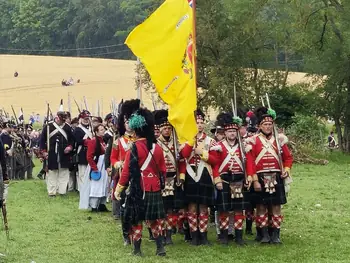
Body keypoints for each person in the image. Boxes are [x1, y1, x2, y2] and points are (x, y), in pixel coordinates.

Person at [114, 107, 167, 256]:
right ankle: (160, 248)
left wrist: (119, 189)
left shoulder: (133, 148)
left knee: (137, 220)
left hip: (139, 188)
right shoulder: (157, 148)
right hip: (154, 187)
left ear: (136, 130)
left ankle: (137, 250)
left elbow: (126, 173)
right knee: (155, 220)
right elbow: (163, 170)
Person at [245, 106, 293, 244]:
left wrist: (287, 169)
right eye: (265, 124)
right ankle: (264, 234)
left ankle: (275, 235)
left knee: (276, 206)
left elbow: (288, 158)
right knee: (261, 206)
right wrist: (255, 180)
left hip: (276, 177)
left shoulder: (280, 140)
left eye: (270, 124)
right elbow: (250, 162)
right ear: (259, 126)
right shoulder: (252, 141)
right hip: (260, 177)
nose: (268, 126)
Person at [179, 109, 219, 246]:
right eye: (197, 122)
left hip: (204, 175)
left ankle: (203, 236)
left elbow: (215, 160)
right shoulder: (185, 140)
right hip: (190, 175)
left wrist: (202, 153)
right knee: (191, 208)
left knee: (203, 207)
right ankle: (194, 236)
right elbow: (182, 156)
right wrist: (190, 143)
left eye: (202, 122)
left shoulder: (211, 141)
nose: (200, 125)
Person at [214, 113, 248, 245]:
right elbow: (215, 165)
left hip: (239, 180)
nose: (232, 133)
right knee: (224, 209)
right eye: (229, 131)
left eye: (234, 131)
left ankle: (239, 236)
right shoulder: (218, 146)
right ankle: (224, 236)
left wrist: (248, 177)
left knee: (239, 210)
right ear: (225, 132)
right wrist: (217, 180)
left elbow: (248, 163)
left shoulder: (243, 145)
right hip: (224, 181)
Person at [154, 109, 184, 245]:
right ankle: (163, 233)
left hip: (174, 179)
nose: (167, 130)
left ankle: (170, 234)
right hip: (161, 180)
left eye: (169, 128)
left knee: (172, 209)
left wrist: (181, 177)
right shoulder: (155, 144)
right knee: (163, 209)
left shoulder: (177, 144)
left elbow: (181, 162)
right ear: (160, 130)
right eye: (164, 128)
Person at [110, 99, 138, 243]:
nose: (128, 125)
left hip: (137, 177)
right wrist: (118, 164)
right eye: (126, 122)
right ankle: (126, 234)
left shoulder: (139, 140)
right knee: (125, 209)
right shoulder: (118, 141)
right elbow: (113, 159)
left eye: (130, 122)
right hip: (123, 177)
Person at [40, 110, 74, 197]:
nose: (62, 122)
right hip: (51, 152)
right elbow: (42, 140)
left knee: (64, 172)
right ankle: (52, 192)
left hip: (64, 154)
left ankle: (62, 191)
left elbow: (72, 140)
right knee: (52, 172)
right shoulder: (48, 127)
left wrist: (70, 147)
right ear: (57, 118)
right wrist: (43, 152)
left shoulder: (67, 127)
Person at [79, 124, 109, 212]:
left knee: (104, 184)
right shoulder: (93, 141)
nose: (103, 131)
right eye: (101, 130)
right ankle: (94, 205)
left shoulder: (103, 141)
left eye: (103, 129)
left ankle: (102, 204)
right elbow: (89, 157)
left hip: (104, 165)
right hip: (97, 165)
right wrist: (95, 168)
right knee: (96, 186)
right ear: (96, 132)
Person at [73, 110, 93, 191]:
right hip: (82, 152)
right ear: (80, 119)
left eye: (87, 119)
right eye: (84, 119)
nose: (86, 120)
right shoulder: (78, 129)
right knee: (82, 173)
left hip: (91, 153)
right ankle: (82, 190)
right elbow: (78, 140)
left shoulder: (92, 128)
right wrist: (89, 142)